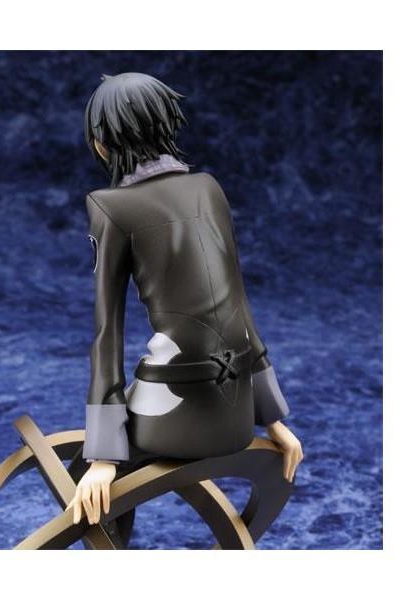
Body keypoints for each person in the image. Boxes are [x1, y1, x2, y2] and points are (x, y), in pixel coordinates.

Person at [66, 73, 303, 526]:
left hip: (174, 415)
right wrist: (272, 418)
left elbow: (107, 333)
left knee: (85, 473)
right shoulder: (209, 188)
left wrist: (103, 456)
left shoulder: (109, 205)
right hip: (236, 415)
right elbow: (239, 309)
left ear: (102, 142)